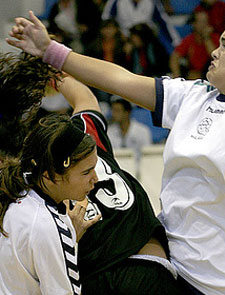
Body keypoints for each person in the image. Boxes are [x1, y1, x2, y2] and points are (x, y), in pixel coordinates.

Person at [7, 12, 225, 294]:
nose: (214, 52)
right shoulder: (195, 96)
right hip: (171, 270)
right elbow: (121, 80)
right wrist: (52, 52)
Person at [52, 76, 187, 294]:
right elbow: (85, 97)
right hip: (143, 267)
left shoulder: (33, 181)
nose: (93, 178)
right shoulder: (85, 135)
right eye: (87, 172)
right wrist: (54, 69)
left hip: (108, 272)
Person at [0, 112, 99, 295]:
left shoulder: (15, 193)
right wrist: (65, 240)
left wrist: (69, 238)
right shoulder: (48, 226)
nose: (95, 179)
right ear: (50, 175)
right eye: (86, 172)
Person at [107, 96, 152, 177]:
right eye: (113, 110)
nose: (114, 114)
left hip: (140, 172)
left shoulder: (142, 131)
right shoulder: (109, 132)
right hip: (117, 172)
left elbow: (147, 156)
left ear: (127, 112)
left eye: (117, 111)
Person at [169, 10, 220, 79]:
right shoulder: (189, 39)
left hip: (212, 72)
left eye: (205, 21)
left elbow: (216, 57)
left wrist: (207, 38)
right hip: (194, 74)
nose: (204, 25)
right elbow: (175, 57)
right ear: (194, 24)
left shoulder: (216, 38)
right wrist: (177, 77)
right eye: (201, 22)